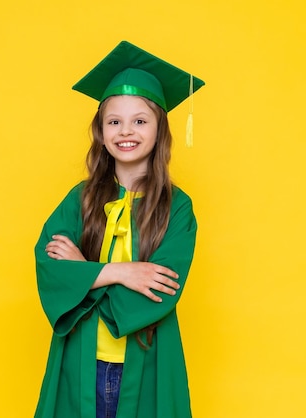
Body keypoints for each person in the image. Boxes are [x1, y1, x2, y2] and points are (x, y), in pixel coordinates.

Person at [33, 40, 205, 418]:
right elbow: (50, 267)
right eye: (114, 121)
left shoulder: (178, 208)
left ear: (160, 129)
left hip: (146, 363)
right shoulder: (79, 200)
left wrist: (86, 272)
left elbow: (160, 290)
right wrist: (121, 272)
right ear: (101, 130)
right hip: (79, 362)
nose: (126, 131)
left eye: (140, 121)